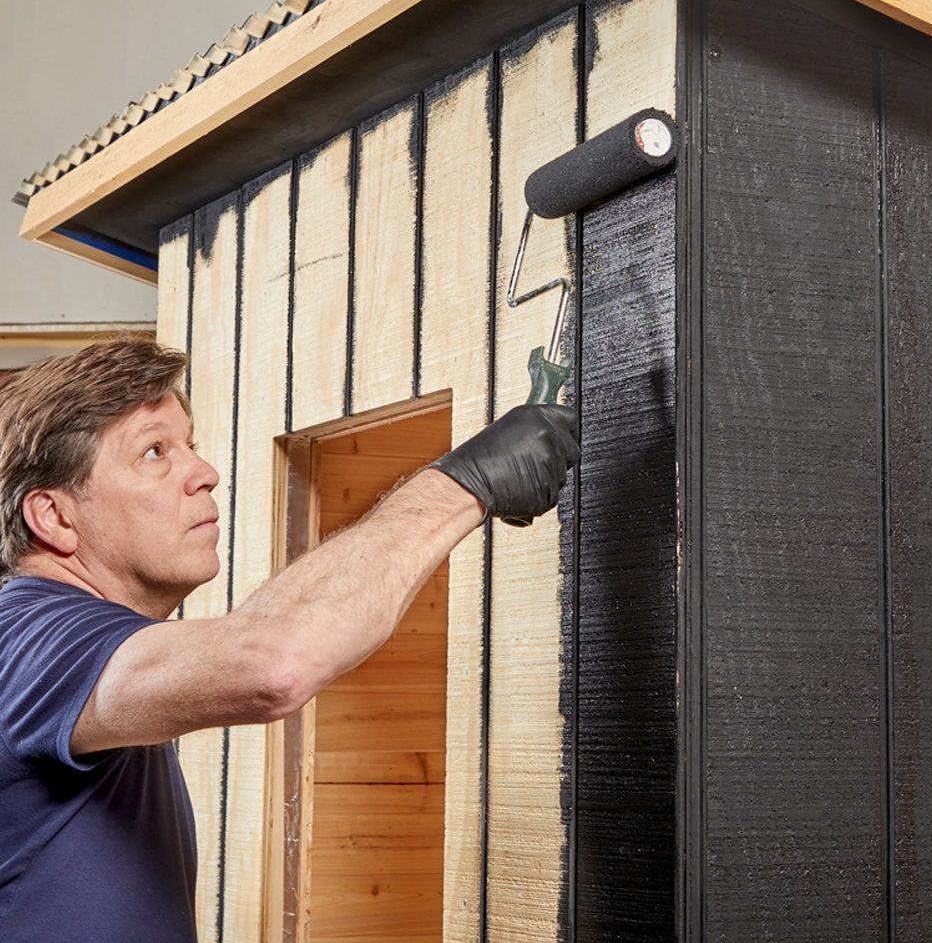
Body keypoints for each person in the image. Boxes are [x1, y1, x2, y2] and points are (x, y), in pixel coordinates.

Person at [0, 335, 578, 942]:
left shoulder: (83, 644)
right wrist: (465, 481)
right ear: (55, 516)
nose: (204, 473)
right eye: (154, 452)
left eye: (189, 445)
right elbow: (270, 663)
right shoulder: (28, 635)